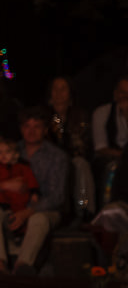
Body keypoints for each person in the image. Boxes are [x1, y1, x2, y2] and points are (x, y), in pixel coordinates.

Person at [0, 123, 63, 276]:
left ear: (45, 129)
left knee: (39, 219)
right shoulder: (5, 154)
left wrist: (28, 209)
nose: (31, 130)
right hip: (8, 205)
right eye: (28, 126)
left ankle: (23, 265)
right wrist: (3, 186)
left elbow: (57, 197)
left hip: (38, 208)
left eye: (36, 126)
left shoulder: (56, 157)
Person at [46, 76, 95, 215]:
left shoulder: (81, 115)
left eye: (63, 89)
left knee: (81, 165)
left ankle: (84, 209)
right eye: (55, 89)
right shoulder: (43, 115)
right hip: (48, 159)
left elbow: (83, 144)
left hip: (73, 157)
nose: (59, 93)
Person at [91, 77, 128, 205]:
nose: (126, 96)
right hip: (108, 159)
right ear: (115, 94)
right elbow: (101, 147)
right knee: (114, 168)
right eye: (123, 92)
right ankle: (107, 209)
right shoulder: (102, 112)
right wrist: (123, 156)